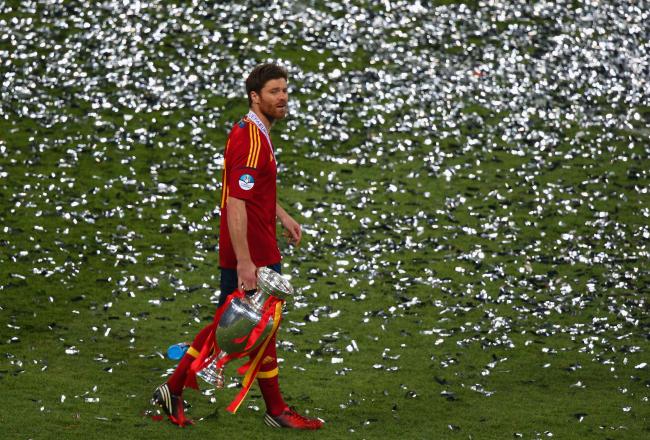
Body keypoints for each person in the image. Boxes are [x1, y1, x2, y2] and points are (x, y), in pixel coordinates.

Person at [152, 63, 323, 430]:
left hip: (256, 246)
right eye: (274, 91)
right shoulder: (250, 138)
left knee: (251, 328)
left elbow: (251, 189)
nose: (283, 97)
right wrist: (246, 262)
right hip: (253, 254)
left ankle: (268, 409)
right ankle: (177, 388)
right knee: (237, 327)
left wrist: (282, 214)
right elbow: (235, 203)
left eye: (284, 90)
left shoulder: (253, 133)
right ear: (255, 97)